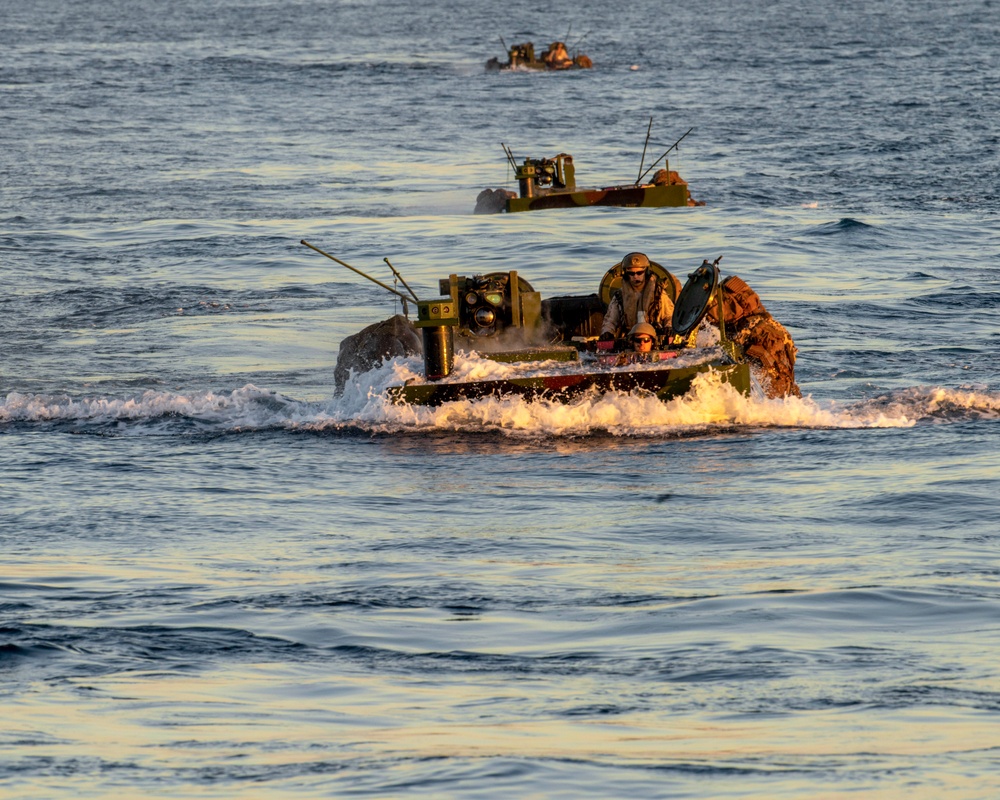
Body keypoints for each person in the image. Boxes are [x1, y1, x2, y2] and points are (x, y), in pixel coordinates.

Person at [599, 252, 675, 342]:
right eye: (631, 273)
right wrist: (607, 332)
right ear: (626, 274)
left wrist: (669, 327)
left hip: (654, 338)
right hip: (630, 338)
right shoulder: (619, 296)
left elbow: (670, 315)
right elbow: (610, 320)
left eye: (639, 273)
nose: (635, 276)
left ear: (646, 272)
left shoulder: (658, 293)